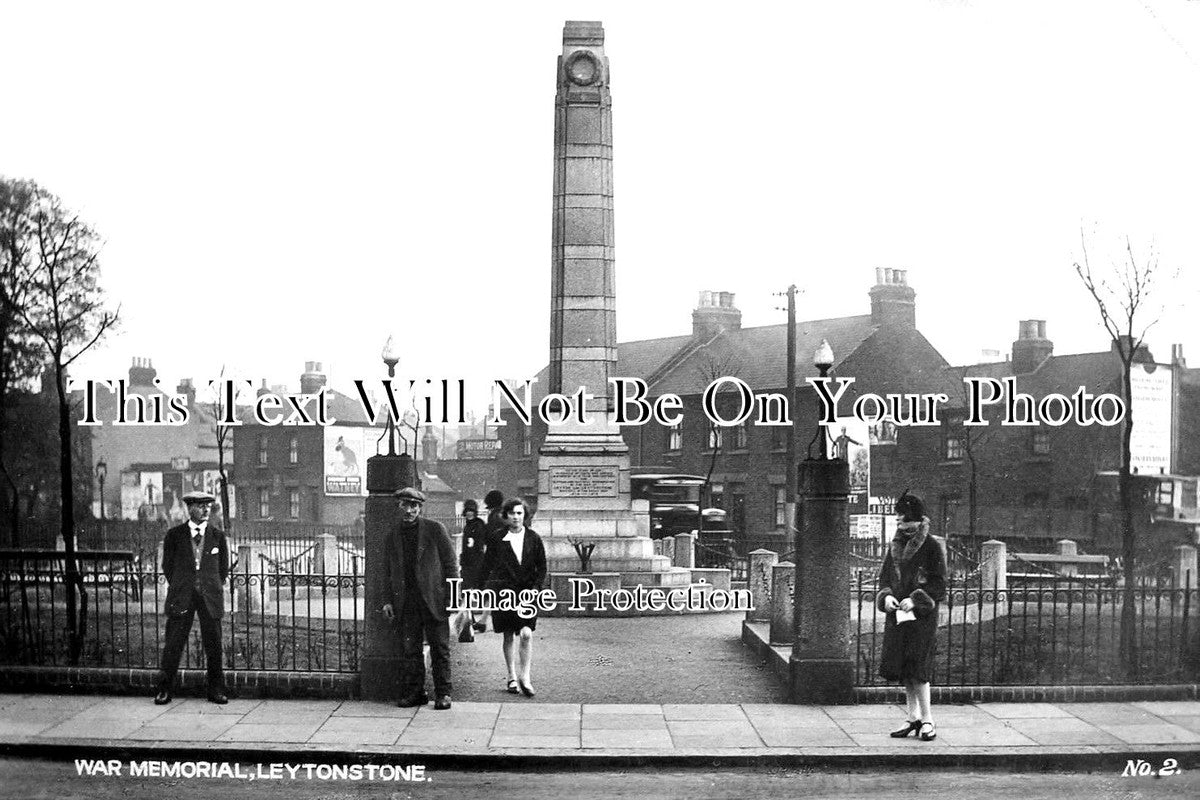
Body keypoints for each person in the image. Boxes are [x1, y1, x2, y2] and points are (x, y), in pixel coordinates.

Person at [876, 492, 947, 741]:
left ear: (917, 521)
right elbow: (885, 579)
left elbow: (939, 586)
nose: (900, 526)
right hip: (898, 617)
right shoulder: (895, 544)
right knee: (905, 669)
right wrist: (886, 598)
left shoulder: (932, 546)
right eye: (898, 522)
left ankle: (928, 721)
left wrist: (915, 600)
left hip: (921, 619)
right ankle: (913, 718)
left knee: (919, 669)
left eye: (904, 522)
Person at [381, 487, 459, 710]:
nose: (409, 510)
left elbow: (451, 565)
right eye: (405, 505)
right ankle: (416, 693)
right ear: (399, 507)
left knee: (440, 648)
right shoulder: (392, 535)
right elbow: (387, 572)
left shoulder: (435, 530)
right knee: (411, 650)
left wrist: (453, 597)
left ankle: (444, 694)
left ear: (420, 508)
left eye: (413, 506)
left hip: (434, 599)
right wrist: (387, 600)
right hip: (407, 602)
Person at [153, 491, 229, 705]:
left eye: (208, 505)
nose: (205, 510)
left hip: (210, 598)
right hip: (182, 596)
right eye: (199, 505)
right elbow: (167, 566)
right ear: (189, 508)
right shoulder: (174, 535)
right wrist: (183, 583)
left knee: (213, 644)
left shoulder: (217, 536)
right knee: (173, 644)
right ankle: (164, 690)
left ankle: (216, 691)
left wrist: (207, 584)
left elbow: (222, 569)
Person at [477, 498, 547, 698]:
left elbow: (541, 567)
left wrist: (536, 587)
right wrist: (481, 588)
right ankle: (511, 676)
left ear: (525, 515)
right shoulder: (497, 538)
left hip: (527, 593)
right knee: (508, 634)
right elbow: (487, 565)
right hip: (504, 592)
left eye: (519, 513)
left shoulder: (534, 538)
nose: (516, 517)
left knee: (526, 634)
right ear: (505, 516)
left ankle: (525, 677)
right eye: (512, 513)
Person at [457, 499, 488, 641]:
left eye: (471, 511)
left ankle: (480, 620)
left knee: (475, 592)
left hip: (476, 564)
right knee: (468, 593)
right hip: (468, 563)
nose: (469, 513)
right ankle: (472, 620)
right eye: (467, 511)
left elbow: (479, 545)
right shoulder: (469, 525)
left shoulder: (478, 525)